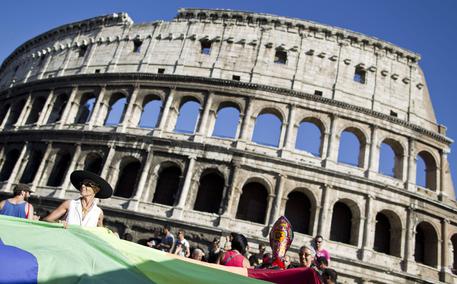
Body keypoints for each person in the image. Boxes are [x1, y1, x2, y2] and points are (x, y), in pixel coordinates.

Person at [43, 170, 113, 227]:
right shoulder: (69, 204)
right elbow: (46, 220)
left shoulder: (99, 212)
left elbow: (100, 232)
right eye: (82, 183)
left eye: (87, 184)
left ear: (96, 189)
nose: (82, 185)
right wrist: (58, 223)